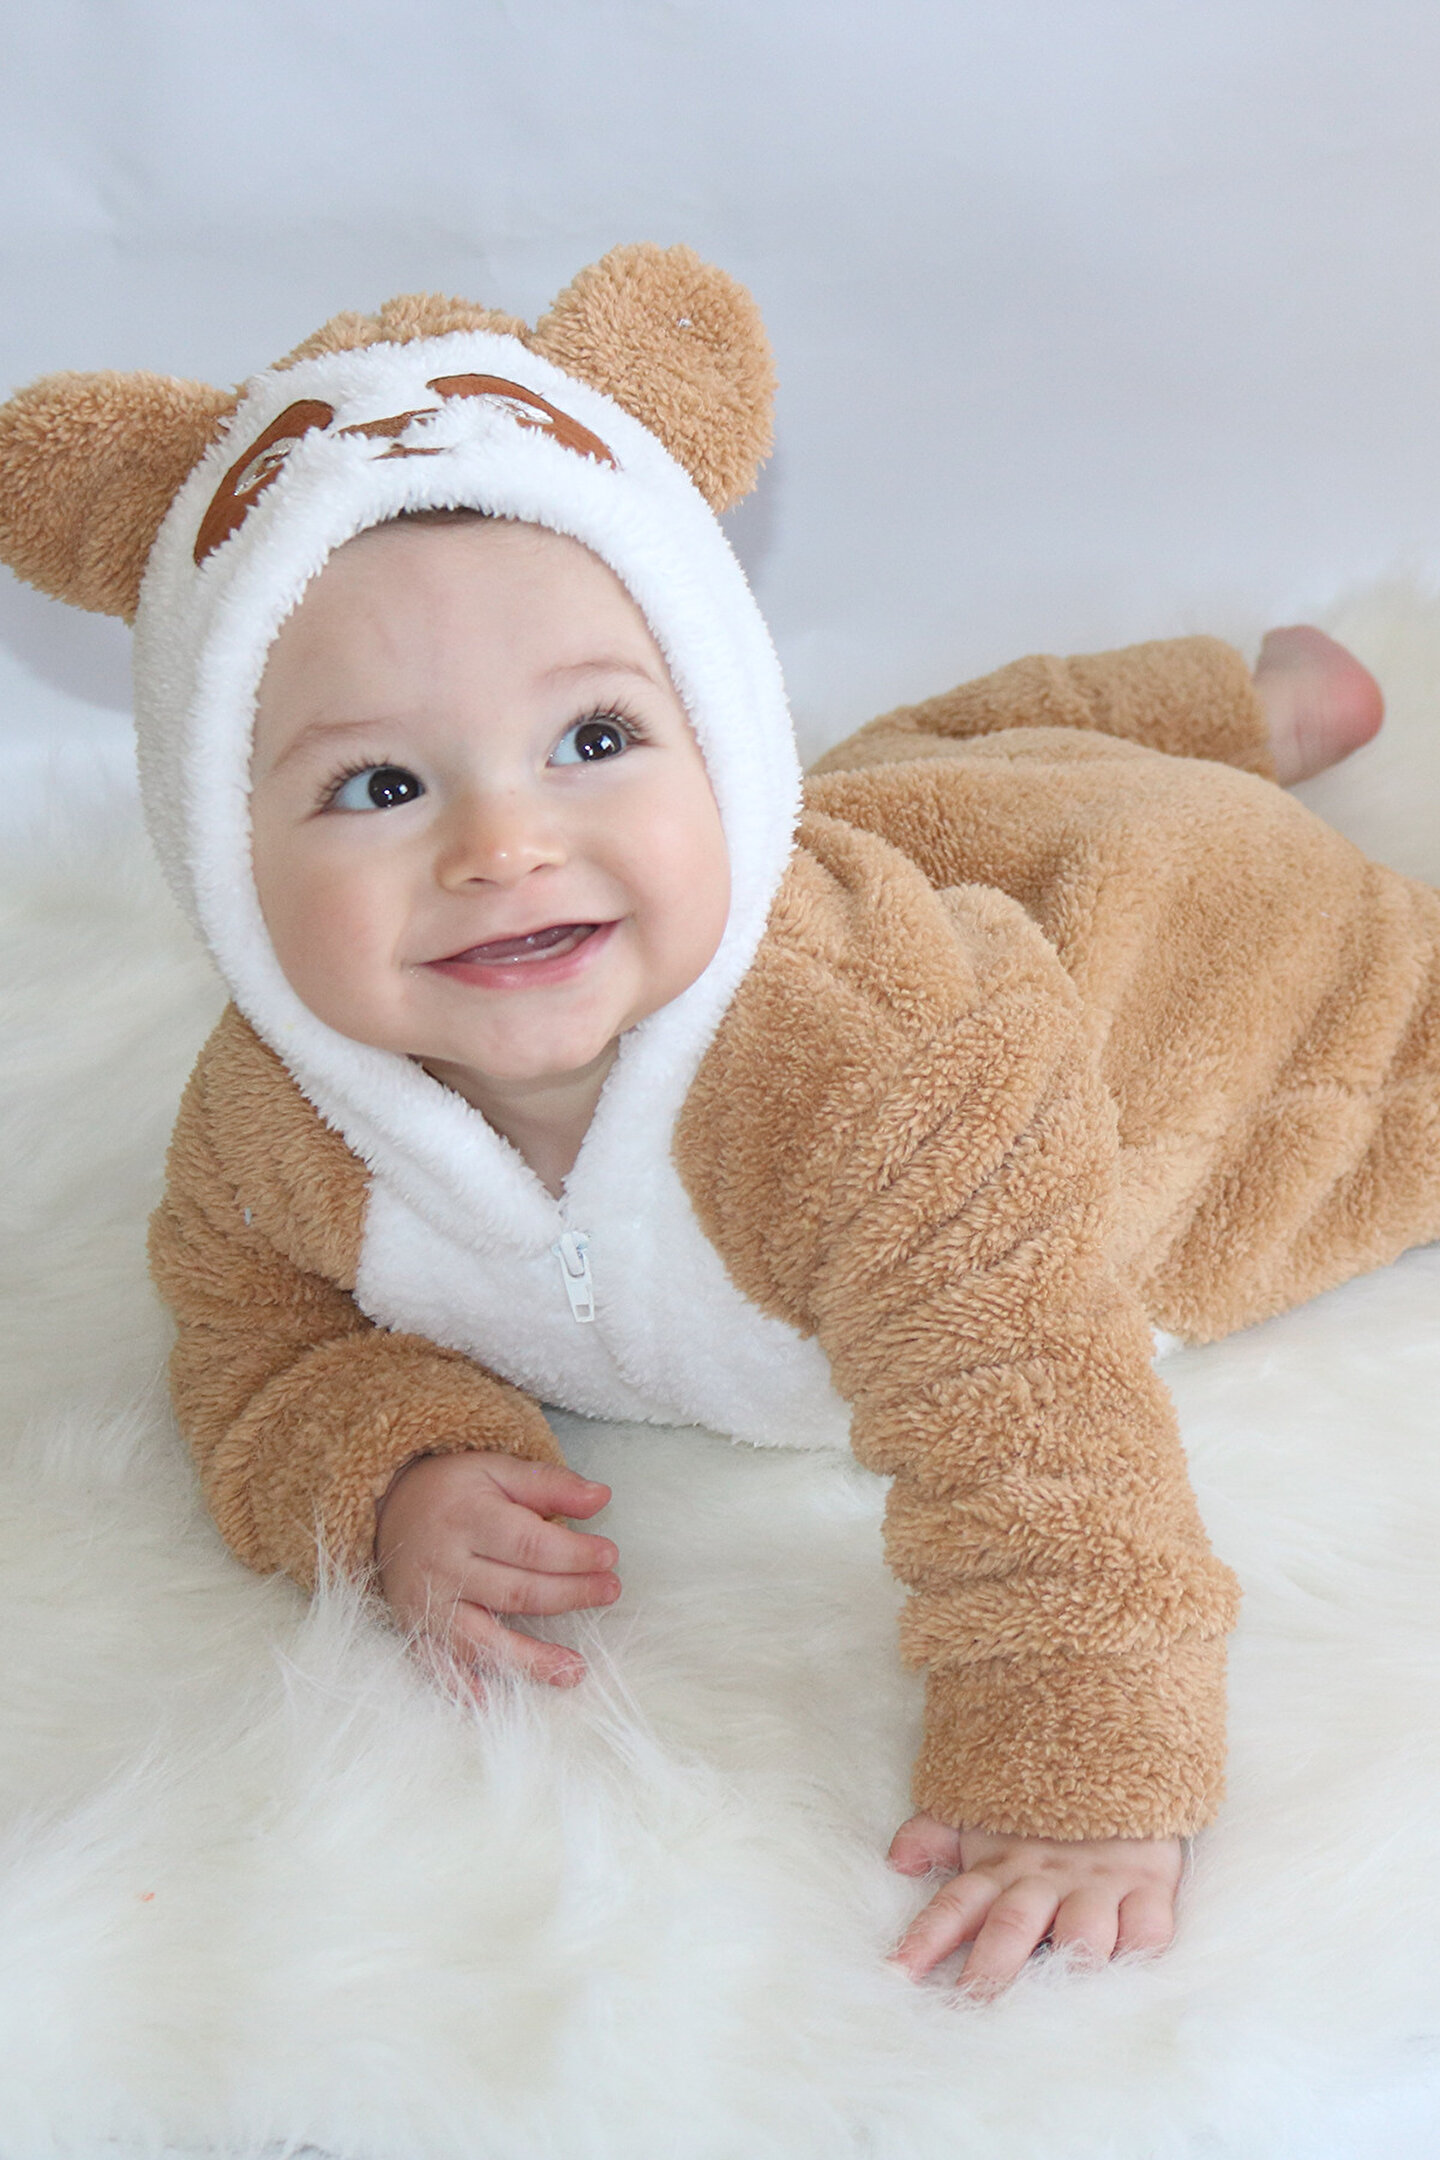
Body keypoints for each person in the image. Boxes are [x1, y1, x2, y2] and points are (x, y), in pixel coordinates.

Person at [0, 245, 1428, 2001]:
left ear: (712, 728)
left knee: (1297, 998)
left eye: (595, 737)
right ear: (222, 850)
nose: (503, 845)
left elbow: (1042, 1433)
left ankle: (1238, 732)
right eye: (381, 783)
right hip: (914, 824)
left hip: (1166, 972)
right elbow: (249, 1341)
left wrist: (1077, 1778)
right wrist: (386, 1474)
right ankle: (1237, 705)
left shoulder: (878, 1082)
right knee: (926, 770)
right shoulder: (276, 1123)